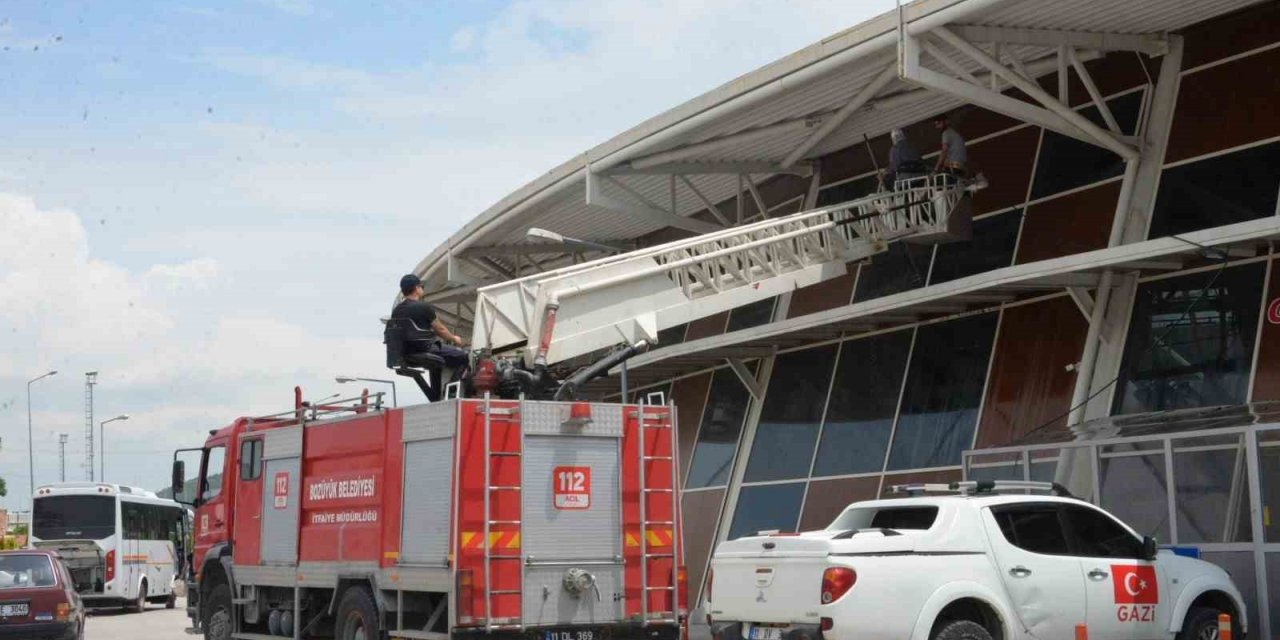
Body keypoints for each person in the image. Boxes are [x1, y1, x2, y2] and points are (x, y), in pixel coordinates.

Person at [392, 274, 469, 374]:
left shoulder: (396, 311)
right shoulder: (424, 307)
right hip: (424, 350)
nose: (422, 289)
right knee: (463, 355)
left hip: (404, 353)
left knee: (436, 359)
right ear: (416, 288)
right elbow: (441, 330)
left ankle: (437, 384)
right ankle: (457, 382)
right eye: (421, 286)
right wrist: (454, 339)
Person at [932, 114, 968, 178]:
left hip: (953, 167)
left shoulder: (946, 133)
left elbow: (944, 151)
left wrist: (935, 169)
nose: (937, 127)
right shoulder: (954, 133)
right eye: (936, 125)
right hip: (961, 167)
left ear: (946, 122)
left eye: (939, 123)